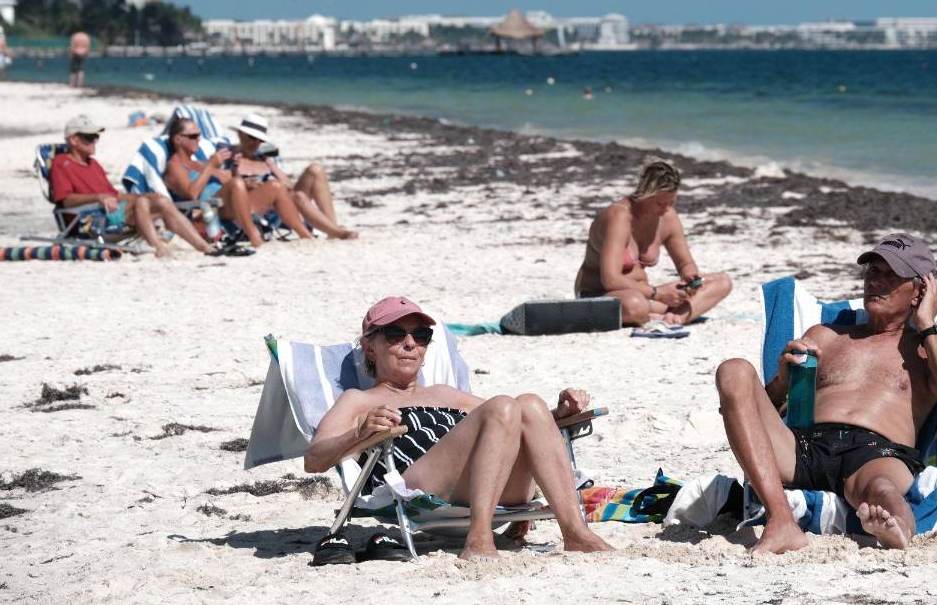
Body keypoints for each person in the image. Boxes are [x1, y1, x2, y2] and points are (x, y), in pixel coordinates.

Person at [713, 233, 937, 553]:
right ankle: (781, 520)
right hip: (803, 447)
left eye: (890, 275)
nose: (875, 282)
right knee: (734, 370)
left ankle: (897, 529)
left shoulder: (926, 350)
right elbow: (759, 412)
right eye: (872, 272)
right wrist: (783, 381)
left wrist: (927, 325)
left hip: (876, 454)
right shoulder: (825, 336)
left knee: (882, 490)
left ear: (918, 292)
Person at [304, 296, 614, 561]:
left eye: (421, 335)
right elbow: (313, 460)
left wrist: (560, 413)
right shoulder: (358, 400)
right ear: (370, 347)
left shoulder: (445, 393)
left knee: (530, 404)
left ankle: (576, 533)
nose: (410, 343)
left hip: (492, 483)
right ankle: (479, 536)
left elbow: (512, 421)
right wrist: (359, 434)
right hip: (416, 485)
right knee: (502, 405)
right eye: (396, 334)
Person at [573, 159, 732, 326]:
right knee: (636, 305)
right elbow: (611, 280)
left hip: (646, 296)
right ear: (644, 194)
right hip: (600, 294)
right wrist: (658, 293)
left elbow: (685, 263)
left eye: (671, 202)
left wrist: (691, 278)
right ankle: (661, 315)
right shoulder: (618, 217)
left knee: (722, 282)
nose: (666, 209)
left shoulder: (667, 217)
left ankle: (674, 318)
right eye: (660, 203)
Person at [50, 115, 218, 258]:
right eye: (89, 137)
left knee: (160, 201)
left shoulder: (92, 164)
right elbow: (66, 201)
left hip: (110, 210)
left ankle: (204, 247)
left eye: (96, 136)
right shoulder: (61, 164)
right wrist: (99, 197)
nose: (94, 140)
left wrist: (144, 196)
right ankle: (159, 247)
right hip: (89, 219)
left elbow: (114, 195)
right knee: (143, 203)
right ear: (73, 139)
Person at [163, 117, 311, 248]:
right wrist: (211, 165)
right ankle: (255, 238)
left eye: (199, 135)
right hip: (208, 214)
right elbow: (192, 194)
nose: (198, 139)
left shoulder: (199, 164)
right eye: (193, 136)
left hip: (230, 205)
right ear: (178, 140)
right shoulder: (174, 166)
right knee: (236, 184)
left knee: (275, 187)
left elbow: (229, 178)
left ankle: (306, 236)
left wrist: (243, 179)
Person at [230, 113, 357, 239]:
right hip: (260, 207)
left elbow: (290, 186)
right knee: (298, 196)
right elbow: (226, 190)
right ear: (240, 134)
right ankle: (337, 232)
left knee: (316, 170)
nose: (255, 143)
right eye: (252, 137)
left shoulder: (263, 158)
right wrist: (244, 180)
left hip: (284, 200)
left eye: (260, 140)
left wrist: (271, 166)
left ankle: (332, 231)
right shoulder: (230, 157)